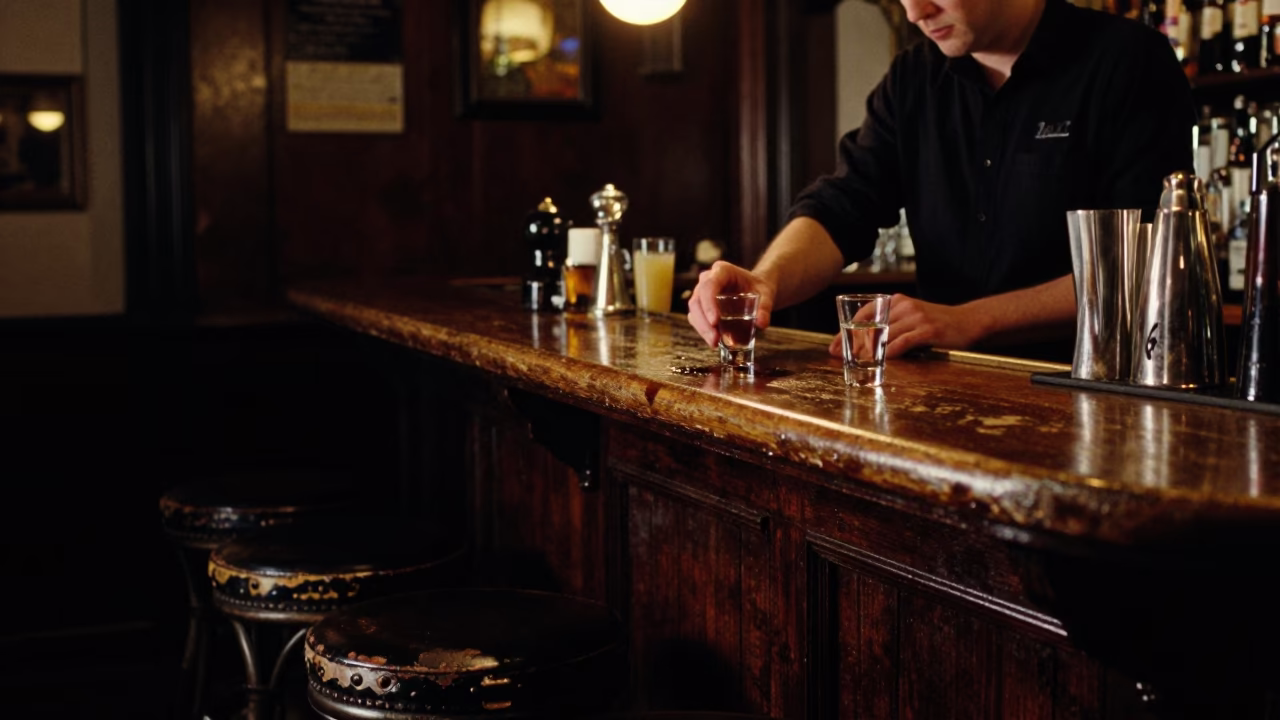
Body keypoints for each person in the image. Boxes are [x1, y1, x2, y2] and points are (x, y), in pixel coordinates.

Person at [688, 0, 1195, 362]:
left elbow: (1140, 265)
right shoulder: (913, 79)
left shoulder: (1128, 62)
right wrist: (766, 281)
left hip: (1082, 387)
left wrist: (967, 320)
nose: (914, 11)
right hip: (938, 389)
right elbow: (844, 203)